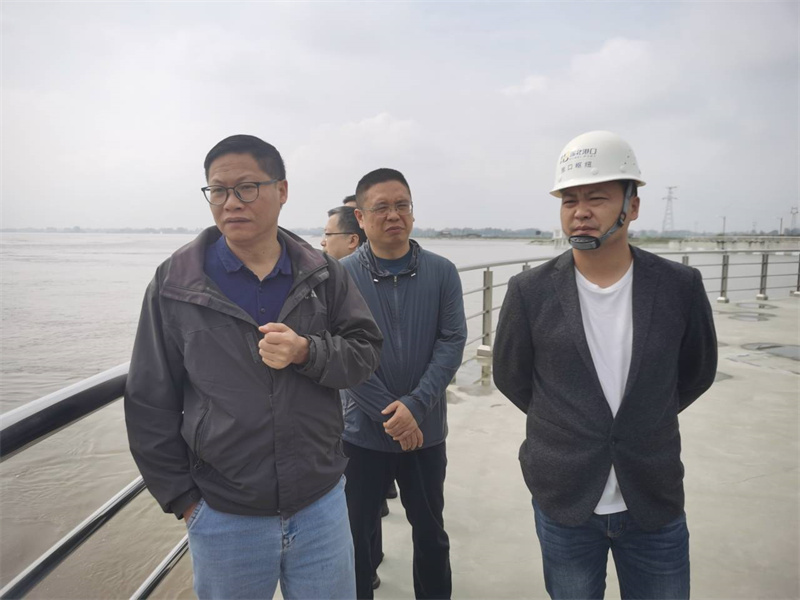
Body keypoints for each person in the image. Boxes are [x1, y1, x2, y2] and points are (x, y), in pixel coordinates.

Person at [124, 134, 383, 600]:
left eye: (246, 187)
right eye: (218, 190)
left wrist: (307, 352)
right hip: (225, 516)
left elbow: (364, 354)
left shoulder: (324, 274)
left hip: (320, 504)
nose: (231, 202)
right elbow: (148, 400)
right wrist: (185, 501)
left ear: (281, 191)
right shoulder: (176, 284)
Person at [493, 130, 718, 599]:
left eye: (596, 198)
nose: (581, 211)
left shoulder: (678, 286)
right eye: (569, 200)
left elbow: (697, 371)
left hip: (652, 496)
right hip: (564, 497)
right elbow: (511, 376)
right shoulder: (530, 292)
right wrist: (570, 421)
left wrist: (644, 416)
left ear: (632, 206)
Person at [340, 168, 467, 599]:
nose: (393, 215)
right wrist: (390, 414)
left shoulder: (442, 272)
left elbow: (452, 342)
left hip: (425, 432)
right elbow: (341, 353)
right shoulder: (340, 276)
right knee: (355, 538)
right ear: (361, 217)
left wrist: (414, 406)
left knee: (431, 533)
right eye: (381, 207)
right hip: (361, 434)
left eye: (402, 205)